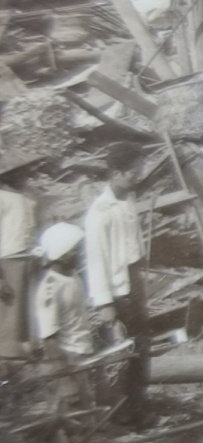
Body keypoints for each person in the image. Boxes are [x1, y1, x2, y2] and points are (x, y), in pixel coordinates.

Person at [85, 143, 153, 426]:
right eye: (130, 174)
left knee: (140, 348)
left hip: (134, 284)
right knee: (121, 353)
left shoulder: (128, 201)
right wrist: (105, 305)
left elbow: (134, 247)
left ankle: (137, 406)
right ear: (115, 173)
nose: (135, 178)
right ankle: (121, 412)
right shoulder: (99, 212)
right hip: (117, 291)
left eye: (138, 173)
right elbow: (96, 261)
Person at [33, 222, 94, 417]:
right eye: (76, 250)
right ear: (61, 253)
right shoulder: (50, 289)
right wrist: (63, 374)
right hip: (68, 357)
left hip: (83, 350)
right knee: (69, 410)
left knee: (87, 406)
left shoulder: (73, 276)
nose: (81, 253)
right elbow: (49, 337)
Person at [0, 150, 42, 362]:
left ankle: (29, 349)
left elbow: (33, 226)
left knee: (29, 306)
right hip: (9, 259)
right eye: (21, 172)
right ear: (8, 175)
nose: (26, 174)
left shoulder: (28, 196)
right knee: (10, 309)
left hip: (29, 256)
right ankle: (7, 356)